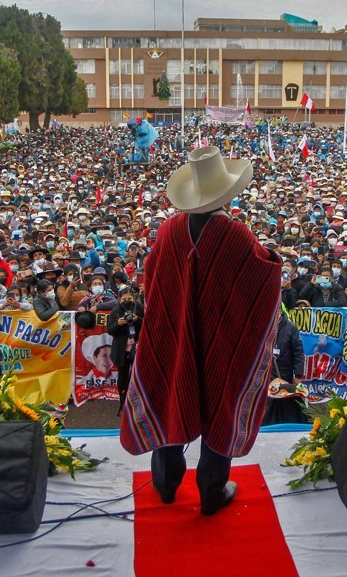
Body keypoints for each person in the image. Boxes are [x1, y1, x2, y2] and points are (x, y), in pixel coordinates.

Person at [120, 146, 282, 516]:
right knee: (221, 400)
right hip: (223, 340)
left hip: (174, 333)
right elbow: (263, 277)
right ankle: (211, 490)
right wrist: (272, 256)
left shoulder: (170, 230)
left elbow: (154, 279)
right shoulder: (236, 236)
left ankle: (164, 483)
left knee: (171, 389)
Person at [262, 307, 306, 425]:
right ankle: (265, 423)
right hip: (267, 372)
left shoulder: (291, 328)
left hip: (285, 372)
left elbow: (298, 353)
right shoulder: (264, 327)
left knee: (284, 401)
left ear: (280, 312)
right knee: (267, 401)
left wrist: (298, 375)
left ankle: (284, 423)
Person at [107, 286, 142, 413]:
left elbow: (147, 324)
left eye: (130, 298)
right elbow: (110, 330)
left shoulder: (139, 308)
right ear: (119, 300)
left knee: (137, 374)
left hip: (137, 347)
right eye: (124, 299)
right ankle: (122, 399)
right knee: (122, 375)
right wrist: (118, 324)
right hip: (121, 349)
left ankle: (137, 400)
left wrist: (137, 319)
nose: (127, 301)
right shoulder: (116, 311)